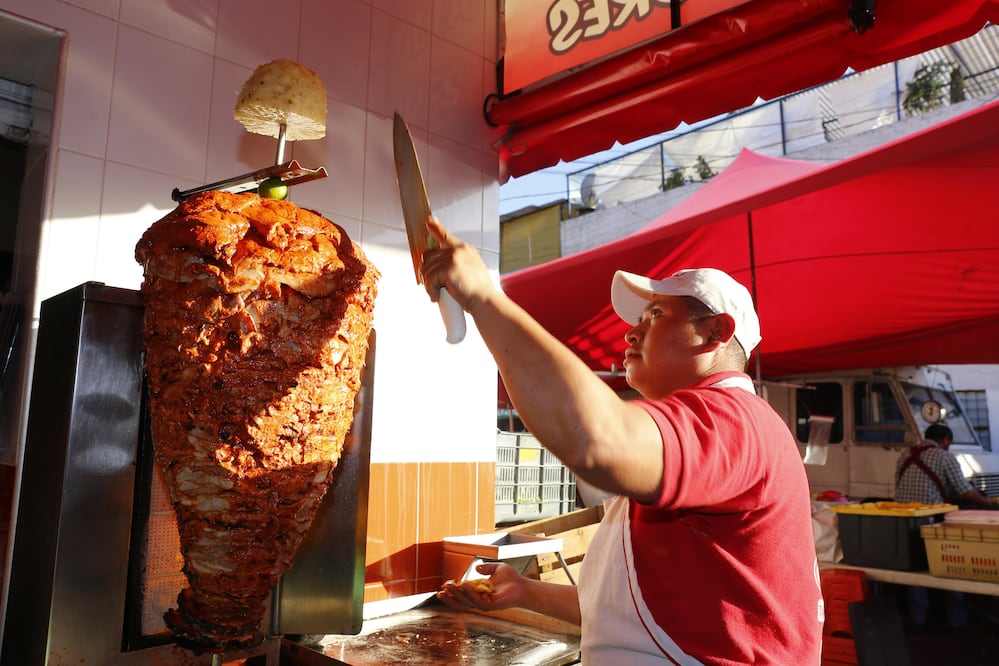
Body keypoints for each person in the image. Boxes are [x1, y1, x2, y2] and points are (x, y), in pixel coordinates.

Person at [423, 217, 823, 665]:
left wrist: (485, 298)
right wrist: (523, 591)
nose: (631, 332)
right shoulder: (691, 439)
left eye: (655, 315)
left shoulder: (734, 420)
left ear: (715, 332)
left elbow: (596, 440)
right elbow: (624, 614)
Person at [895, 423, 998, 629]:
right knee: (950, 565)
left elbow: (898, 487)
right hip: (933, 522)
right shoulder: (945, 457)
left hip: (904, 520)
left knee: (914, 568)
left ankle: (918, 619)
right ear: (945, 440)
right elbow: (964, 491)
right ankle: (957, 622)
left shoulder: (904, 455)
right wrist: (989, 502)